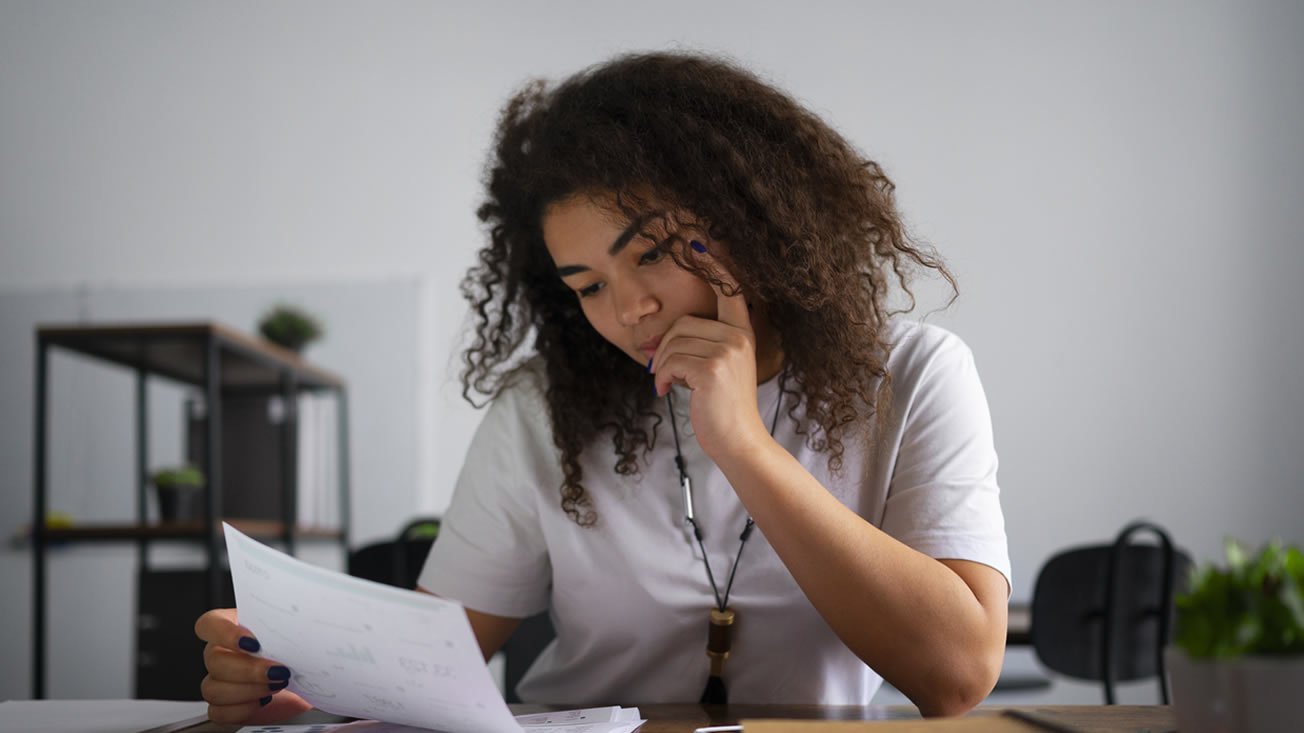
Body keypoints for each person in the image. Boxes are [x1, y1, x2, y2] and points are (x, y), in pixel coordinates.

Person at [195, 51, 1010, 723]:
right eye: (587, 286)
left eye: (651, 252)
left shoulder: (911, 376)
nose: (628, 310)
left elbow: (957, 673)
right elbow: (428, 658)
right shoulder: (545, 407)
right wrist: (294, 676)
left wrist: (743, 444)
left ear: (749, 216)